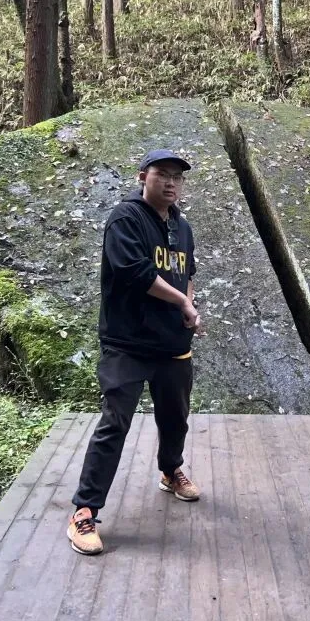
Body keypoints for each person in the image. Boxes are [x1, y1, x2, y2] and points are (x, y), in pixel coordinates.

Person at [67, 149, 203, 555]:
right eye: (163, 174)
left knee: (175, 417)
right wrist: (182, 302)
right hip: (127, 342)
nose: (171, 182)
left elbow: (187, 272)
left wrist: (189, 305)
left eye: (177, 176)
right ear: (143, 176)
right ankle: (84, 511)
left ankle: (170, 471)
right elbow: (136, 273)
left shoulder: (181, 226)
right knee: (115, 423)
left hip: (172, 343)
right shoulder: (125, 219)